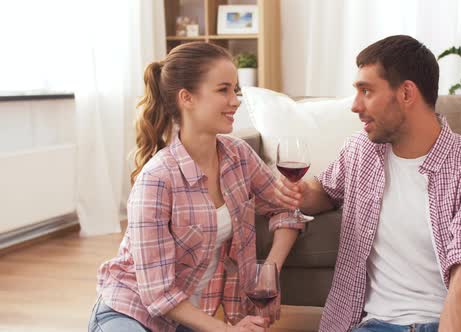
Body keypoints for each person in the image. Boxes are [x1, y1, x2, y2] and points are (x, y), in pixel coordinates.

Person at [275, 35, 461, 332]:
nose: (355, 106)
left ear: (407, 94)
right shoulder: (361, 150)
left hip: (440, 324)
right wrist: (302, 193)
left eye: (366, 91)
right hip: (372, 326)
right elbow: (325, 191)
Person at [88, 42, 303, 332]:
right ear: (187, 98)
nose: (235, 100)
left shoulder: (238, 156)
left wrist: (269, 272)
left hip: (188, 319)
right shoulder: (157, 179)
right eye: (223, 89)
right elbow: (157, 294)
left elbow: (285, 209)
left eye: (235, 89)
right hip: (131, 312)